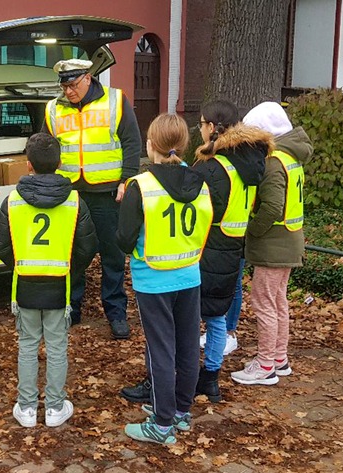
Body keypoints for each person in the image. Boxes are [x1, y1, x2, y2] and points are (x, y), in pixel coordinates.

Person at [117, 114, 213, 445]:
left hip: (153, 278)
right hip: (189, 273)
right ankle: (181, 411)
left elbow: (124, 239)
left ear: (150, 145)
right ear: (185, 145)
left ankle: (161, 423)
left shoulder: (140, 186)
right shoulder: (201, 181)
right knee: (187, 346)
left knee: (161, 349)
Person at [0, 133, 98, 428]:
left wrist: (20, 264)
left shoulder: (12, 201)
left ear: (28, 165)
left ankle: (26, 408)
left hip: (25, 285)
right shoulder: (75, 200)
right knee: (57, 345)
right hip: (59, 287)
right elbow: (87, 246)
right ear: (60, 163)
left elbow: (0, 245)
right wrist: (69, 270)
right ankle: (53, 407)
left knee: (27, 345)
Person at [43, 58, 142, 339]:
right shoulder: (53, 108)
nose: (68, 91)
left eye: (73, 84)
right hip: (70, 193)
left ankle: (115, 312)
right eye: (64, 86)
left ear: (88, 78)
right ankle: (72, 309)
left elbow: (132, 142)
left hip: (107, 193)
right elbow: (46, 145)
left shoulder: (115, 101)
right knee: (73, 253)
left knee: (112, 255)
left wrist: (127, 179)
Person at [191, 100, 269, 401]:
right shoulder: (250, 163)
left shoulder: (211, 167)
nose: (199, 129)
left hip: (205, 249)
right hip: (233, 247)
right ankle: (210, 378)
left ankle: (179, 374)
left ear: (212, 127)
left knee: (187, 316)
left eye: (201, 123)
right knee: (217, 318)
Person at [231, 102, 313, 386]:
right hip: (289, 241)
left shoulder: (274, 162)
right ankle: (279, 359)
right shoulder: (291, 158)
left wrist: (250, 231)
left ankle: (265, 365)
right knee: (278, 302)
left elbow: (271, 208)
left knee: (264, 303)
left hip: (273, 245)